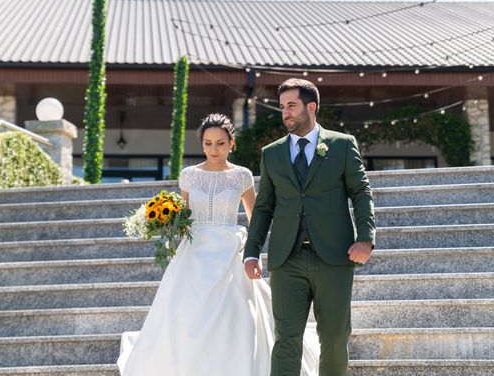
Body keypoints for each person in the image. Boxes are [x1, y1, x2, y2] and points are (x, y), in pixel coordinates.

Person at [117, 113, 318, 375]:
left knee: (238, 313)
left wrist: (254, 252)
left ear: (231, 143)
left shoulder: (241, 176)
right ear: (202, 145)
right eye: (208, 143)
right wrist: (165, 221)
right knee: (185, 312)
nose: (214, 149)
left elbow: (255, 216)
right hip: (194, 252)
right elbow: (185, 216)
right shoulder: (189, 175)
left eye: (220, 143)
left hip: (230, 251)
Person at [243, 78, 376, 376]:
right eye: (281, 107)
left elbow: (361, 192)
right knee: (286, 339)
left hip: (334, 257)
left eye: (292, 106)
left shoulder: (342, 145)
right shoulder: (271, 153)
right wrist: (251, 252)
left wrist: (365, 237)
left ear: (311, 106)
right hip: (286, 259)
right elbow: (264, 206)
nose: (285, 113)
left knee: (334, 336)